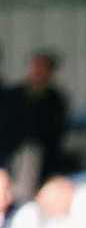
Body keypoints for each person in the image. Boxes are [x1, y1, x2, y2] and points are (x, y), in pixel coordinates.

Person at [4, 52, 71, 199]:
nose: (38, 71)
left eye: (43, 67)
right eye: (36, 66)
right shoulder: (13, 95)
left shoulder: (54, 98)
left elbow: (55, 131)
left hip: (42, 154)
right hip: (12, 152)